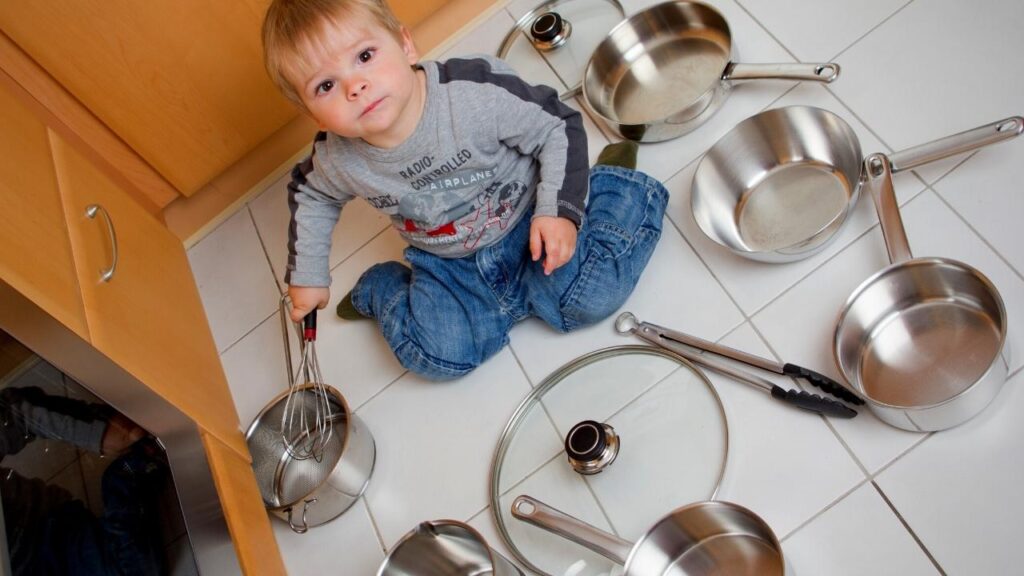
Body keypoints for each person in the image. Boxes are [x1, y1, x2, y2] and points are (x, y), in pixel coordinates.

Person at [263, 0, 669, 379]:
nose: (355, 86)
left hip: (531, 220)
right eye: (326, 86)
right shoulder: (337, 159)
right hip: (449, 262)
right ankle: (381, 289)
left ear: (405, 45)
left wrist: (557, 211)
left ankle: (612, 184)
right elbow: (311, 195)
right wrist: (308, 273)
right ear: (309, 111)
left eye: (365, 57)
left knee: (592, 297)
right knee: (440, 356)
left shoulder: (472, 96)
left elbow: (556, 126)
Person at [1, 385, 167, 575]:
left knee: (138, 570)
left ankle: (128, 472)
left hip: (45, 533)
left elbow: (13, 412)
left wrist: (96, 432)